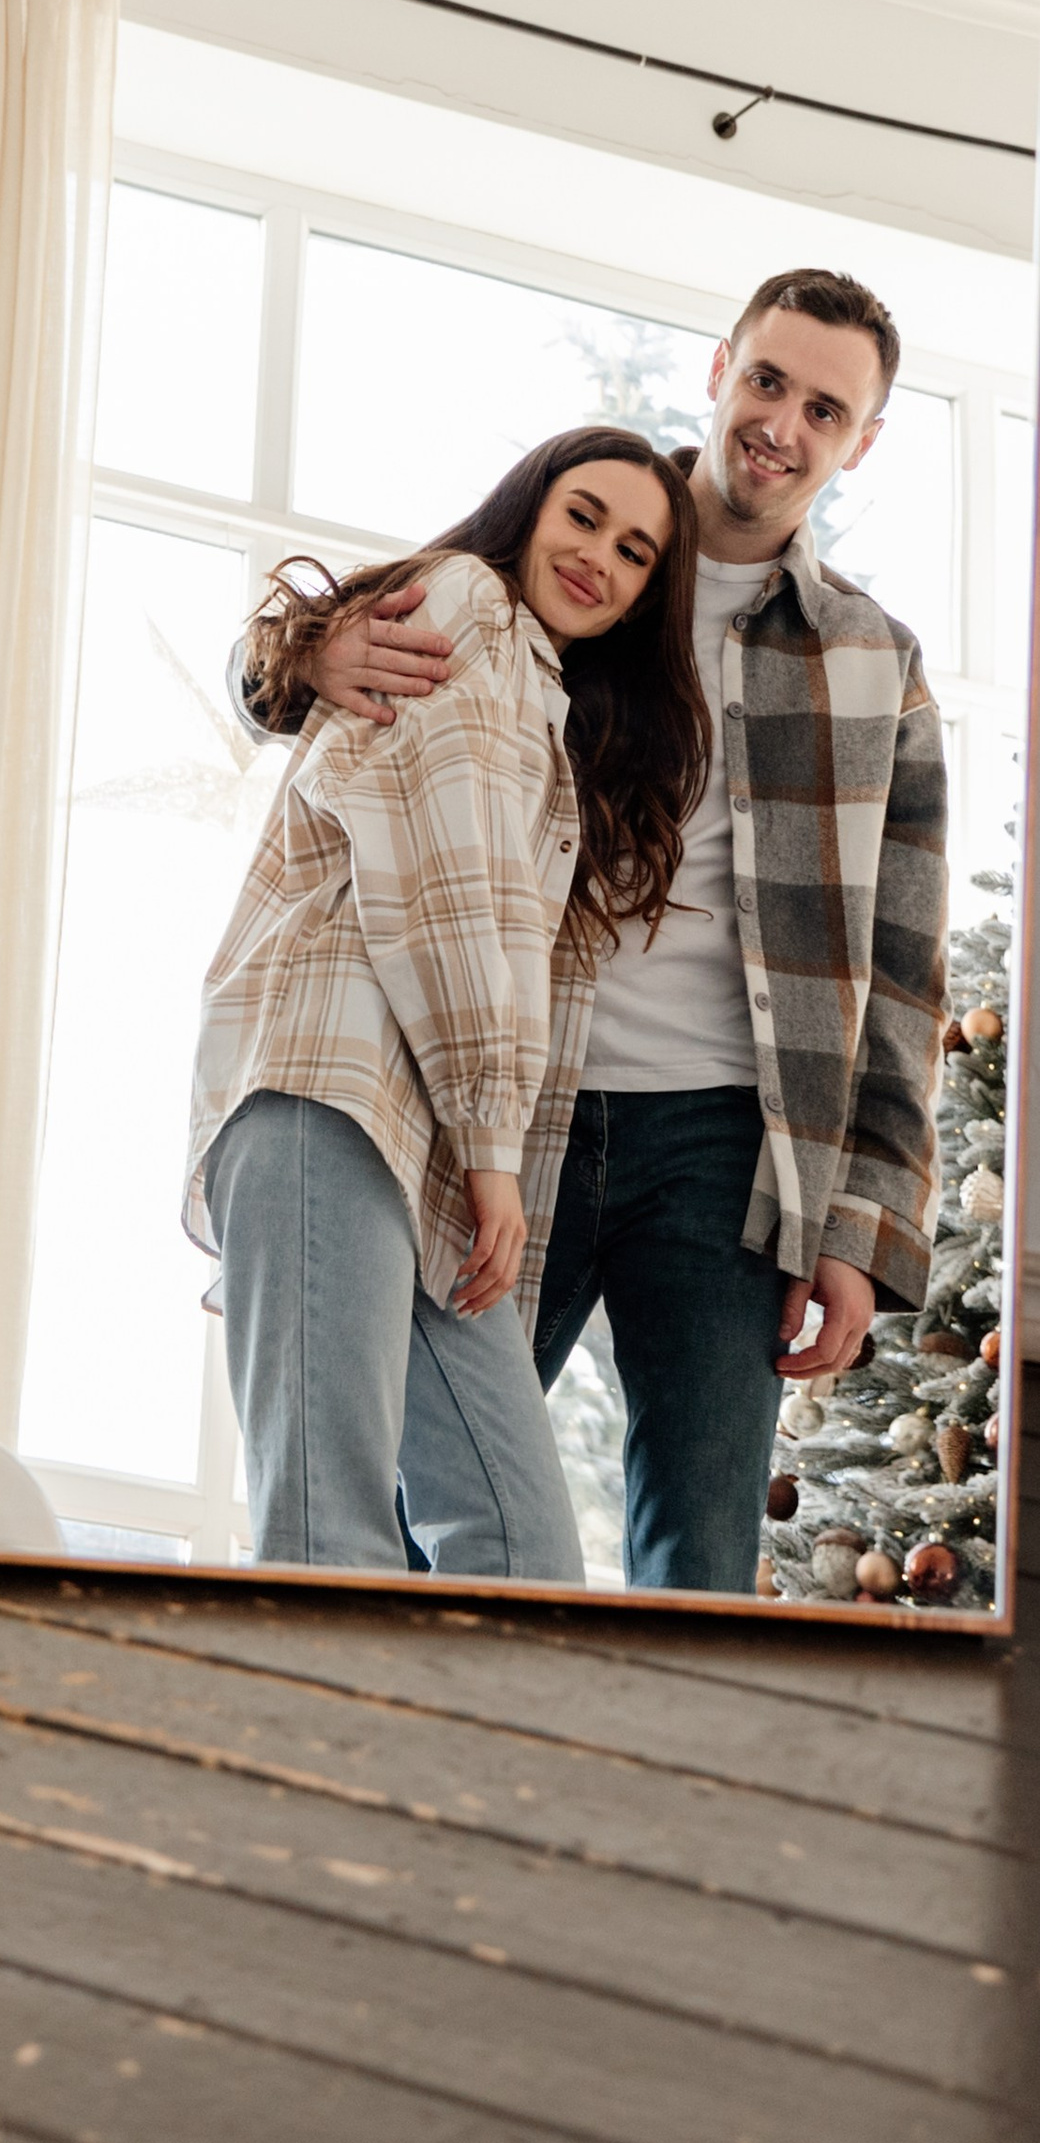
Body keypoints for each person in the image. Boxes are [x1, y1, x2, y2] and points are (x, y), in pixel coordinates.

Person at [250, 270, 947, 1593]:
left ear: (861, 441)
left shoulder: (875, 661)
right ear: (719, 371)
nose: (782, 425)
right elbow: (349, 649)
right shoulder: (589, 547)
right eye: (767, 381)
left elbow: (904, 970)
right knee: (424, 1493)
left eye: (825, 409)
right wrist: (306, 657)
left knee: (702, 1551)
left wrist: (862, 1227)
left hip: (729, 1147)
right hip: (518, 1107)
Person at [189, 430, 705, 1579]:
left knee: (524, 1556)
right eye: (582, 516)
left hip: (423, 1142)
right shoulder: (467, 602)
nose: (599, 558)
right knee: (327, 1535)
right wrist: (493, 1150)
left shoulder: (545, 694)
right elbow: (446, 883)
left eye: (633, 552)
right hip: (330, 1085)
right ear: (528, 508)